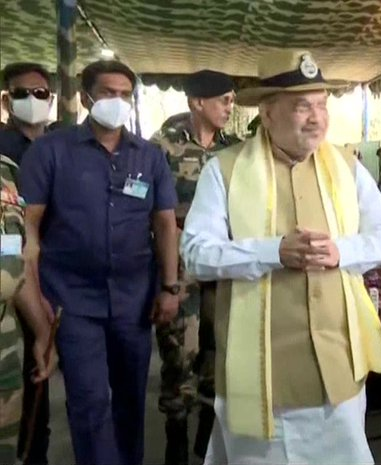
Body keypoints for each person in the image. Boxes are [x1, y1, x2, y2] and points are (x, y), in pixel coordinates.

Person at [180, 49, 381, 465]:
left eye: (321, 105)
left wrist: (342, 251)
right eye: (302, 107)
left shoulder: (347, 167)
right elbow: (196, 253)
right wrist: (272, 251)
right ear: (267, 113)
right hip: (262, 378)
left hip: (338, 373)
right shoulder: (224, 170)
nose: (317, 118)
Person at [19, 59, 179, 465]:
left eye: (126, 95)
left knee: (130, 399)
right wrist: (36, 299)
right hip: (72, 302)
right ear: (87, 98)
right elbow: (30, 229)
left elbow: (164, 225)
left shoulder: (150, 157)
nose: (118, 102)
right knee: (89, 400)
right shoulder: (50, 152)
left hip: (133, 299)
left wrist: (169, 287)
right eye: (109, 93)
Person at [150, 69, 239, 465]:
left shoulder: (234, 150)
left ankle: (207, 443)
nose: (229, 106)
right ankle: (176, 445)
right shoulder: (162, 147)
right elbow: (152, 210)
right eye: (223, 99)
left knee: (218, 355)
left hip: (220, 268)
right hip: (180, 266)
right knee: (179, 356)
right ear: (197, 102)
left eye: (232, 100)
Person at [0, 61, 55, 465]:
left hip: (44, 284)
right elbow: (12, 256)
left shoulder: (59, 146)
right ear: (6, 100)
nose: (32, 102)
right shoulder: (4, 158)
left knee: (35, 405)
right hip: (16, 296)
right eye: (23, 94)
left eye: (40, 94)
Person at [0, 63, 55, 166]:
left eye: (40, 93)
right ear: (6, 101)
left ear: (50, 100)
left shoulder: (64, 144)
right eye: (21, 93)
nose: (31, 99)